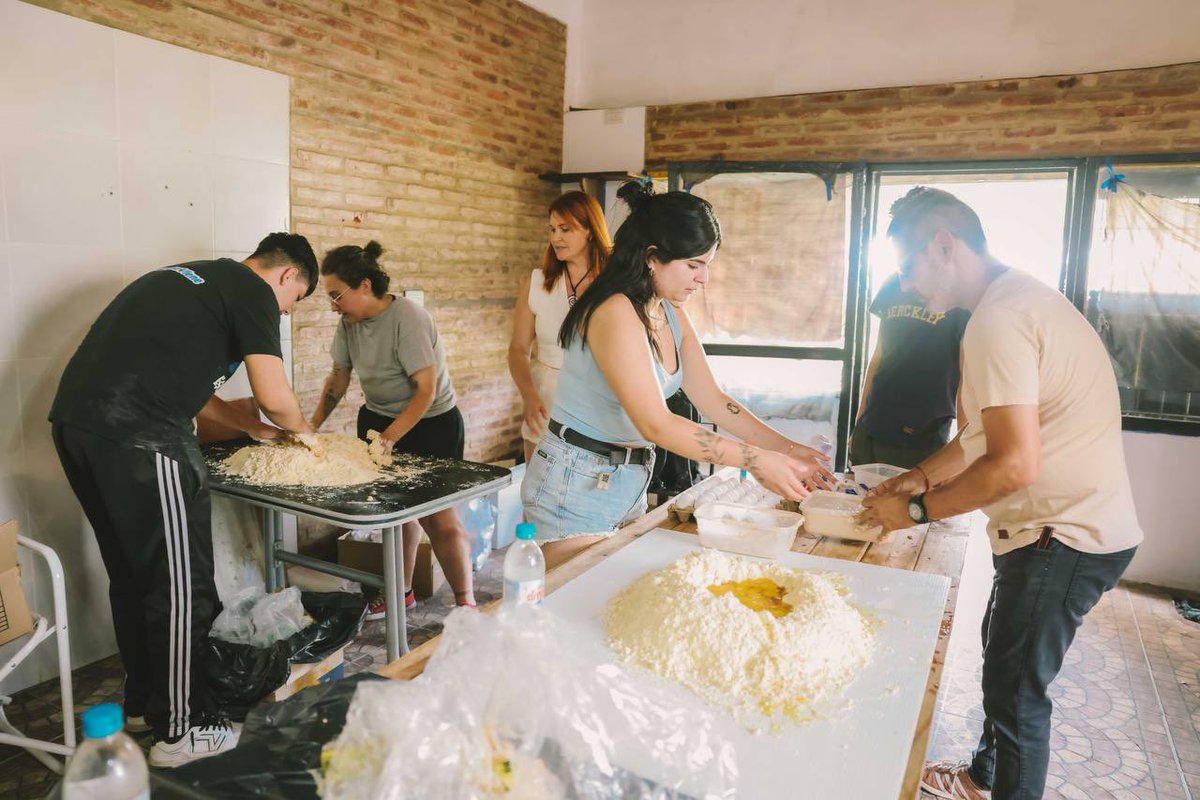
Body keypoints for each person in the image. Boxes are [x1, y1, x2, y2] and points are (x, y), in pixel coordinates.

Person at [857, 187, 1142, 800]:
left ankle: (997, 780)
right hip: (1062, 530)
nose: (905, 284)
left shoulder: (998, 319)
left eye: (907, 265)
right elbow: (981, 437)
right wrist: (919, 476)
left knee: (1016, 701)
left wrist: (913, 511)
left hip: (1061, 536)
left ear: (944, 246)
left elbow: (1013, 463)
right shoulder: (1015, 299)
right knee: (1000, 654)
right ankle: (980, 778)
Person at [49, 233, 319, 767]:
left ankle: (144, 705)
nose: (286, 312)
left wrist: (253, 429)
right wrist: (308, 436)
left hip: (80, 428)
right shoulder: (253, 290)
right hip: (143, 438)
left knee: (135, 577)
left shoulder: (192, 278)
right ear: (287, 276)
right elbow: (274, 394)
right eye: (295, 300)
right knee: (181, 589)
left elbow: (194, 393)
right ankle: (183, 729)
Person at [521, 181, 833, 560]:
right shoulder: (615, 311)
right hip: (575, 480)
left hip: (624, 477)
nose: (703, 279)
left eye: (707, 265)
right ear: (652, 257)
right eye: (693, 265)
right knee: (573, 593)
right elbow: (658, 424)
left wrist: (788, 449)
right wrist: (755, 460)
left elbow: (714, 400)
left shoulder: (667, 310)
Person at [309, 241, 476, 612]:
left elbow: (426, 391)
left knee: (437, 517)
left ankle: (466, 604)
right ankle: (401, 594)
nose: (333, 305)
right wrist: (310, 427)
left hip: (431, 423)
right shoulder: (348, 323)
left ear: (365, 286)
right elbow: (338, 377)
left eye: (337, 295)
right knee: (396, 515)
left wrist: (389, 439)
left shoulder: (408, 318)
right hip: (378, 419)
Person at [508, 190, 613, 465]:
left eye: (565, 229)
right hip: (544, 401)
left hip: (598, 401)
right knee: (536, 485)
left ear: (590, 230)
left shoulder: (613, 283)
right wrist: (530, 397)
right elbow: (518, 350)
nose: (556, 238)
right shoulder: (537, 282)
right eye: (552, 229)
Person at [849, 269, 969, 469]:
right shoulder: (893, 283)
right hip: (871, 430)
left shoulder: (961, 295)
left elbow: (966, 378)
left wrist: (961, 449)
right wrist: (858, 422)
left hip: (923, 442)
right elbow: (879, 355)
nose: (905, 282)